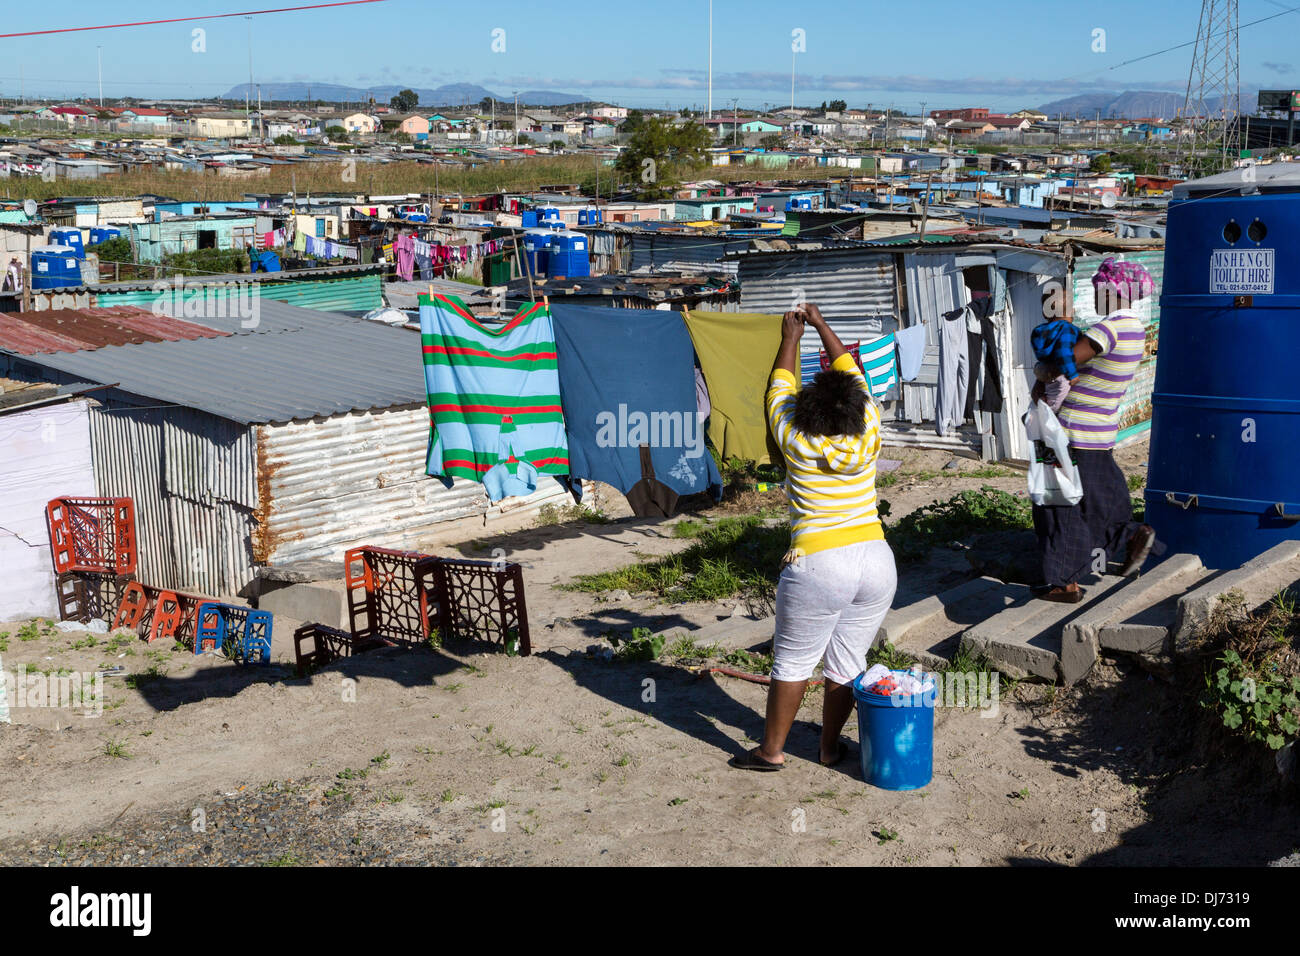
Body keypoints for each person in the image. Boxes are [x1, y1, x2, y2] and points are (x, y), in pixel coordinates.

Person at [732, 303, 896, 771]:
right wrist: (823, 325)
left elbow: (778, 388)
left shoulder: (796, 440)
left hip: (820, 562)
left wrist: (791, 338)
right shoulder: (869, 432)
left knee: (792, 662)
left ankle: (771, 752)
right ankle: (827, 749)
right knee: (847, 661)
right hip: (877, 559)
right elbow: (853, 372)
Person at [1031, 258, 1157, 603]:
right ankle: (1129, 536)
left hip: (1067, 432)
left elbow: (1063, 362)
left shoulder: (1108, 328)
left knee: (1054, 504)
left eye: (1098, 289)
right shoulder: (1135, 328)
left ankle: (1063, 583)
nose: (1094, 294)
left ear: (1112, 291)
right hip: (1100, 431)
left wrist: (1041, 368)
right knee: (1098, 500)